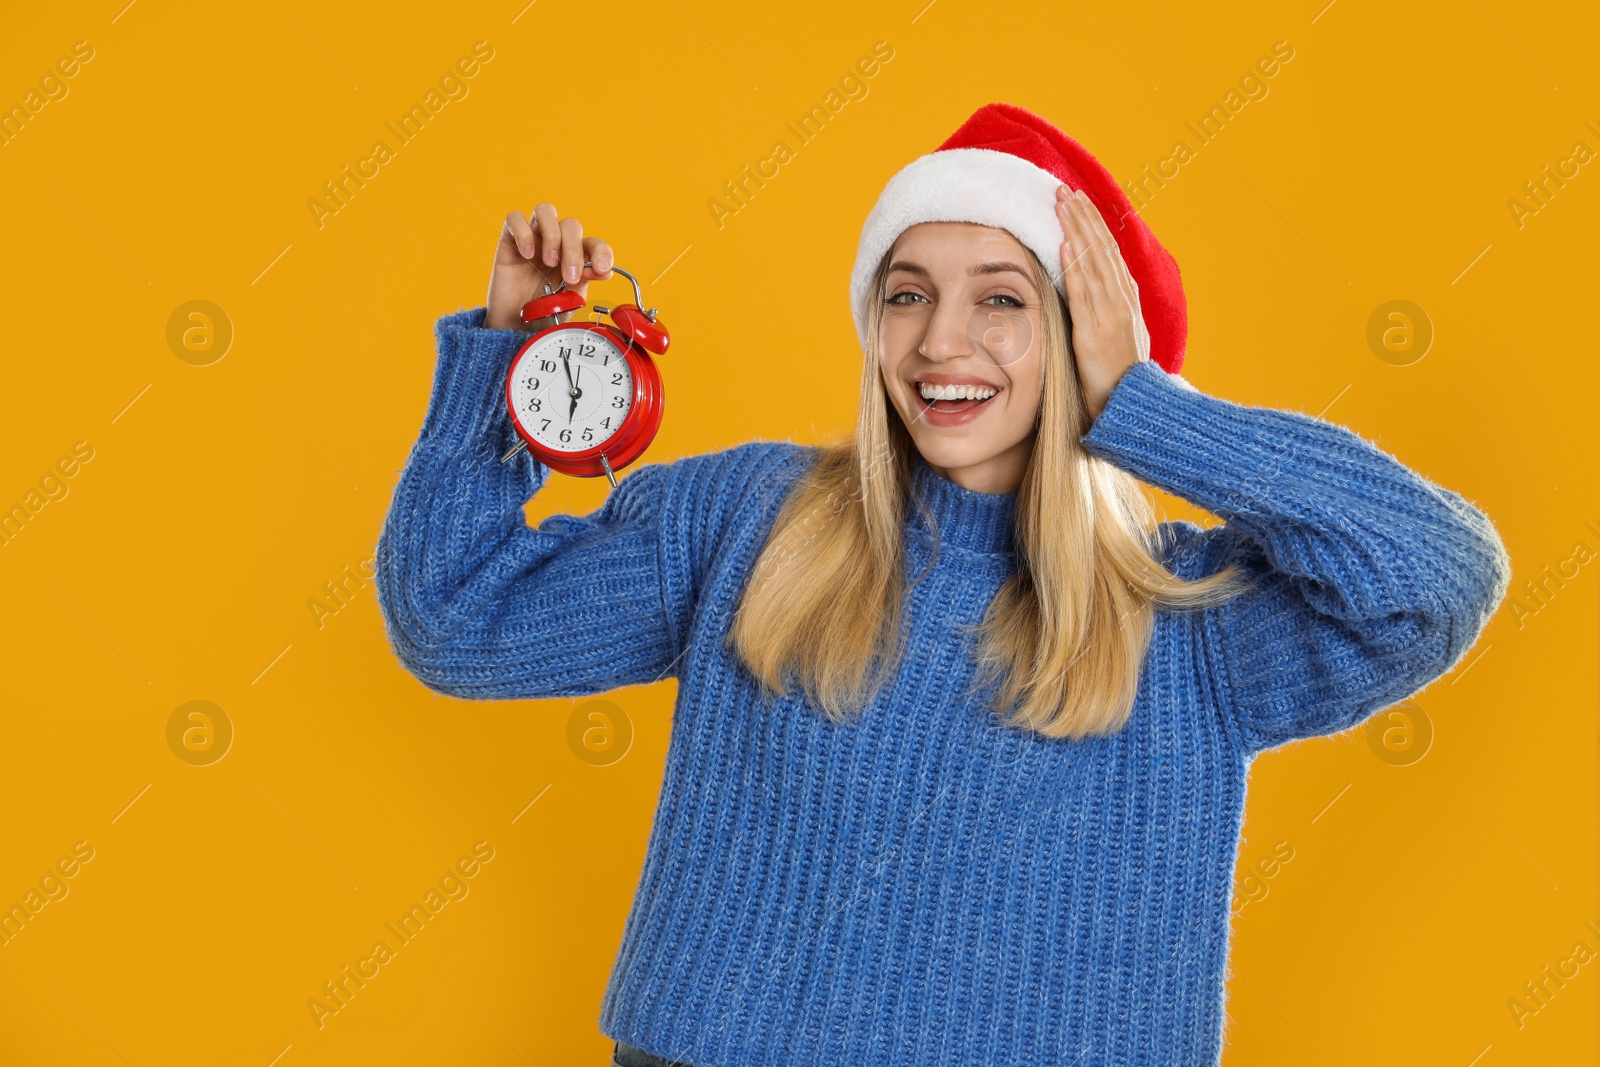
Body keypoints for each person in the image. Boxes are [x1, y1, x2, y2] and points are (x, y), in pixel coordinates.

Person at [374, 103, 1511, 1067]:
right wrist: (507, 350)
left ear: (1083, 334)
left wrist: (1144, 408)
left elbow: (1436, 572)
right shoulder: (753, 521)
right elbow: (454, 616)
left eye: (1003, 299)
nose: (939, 341)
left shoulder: (1187, 617)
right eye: (907, 294)